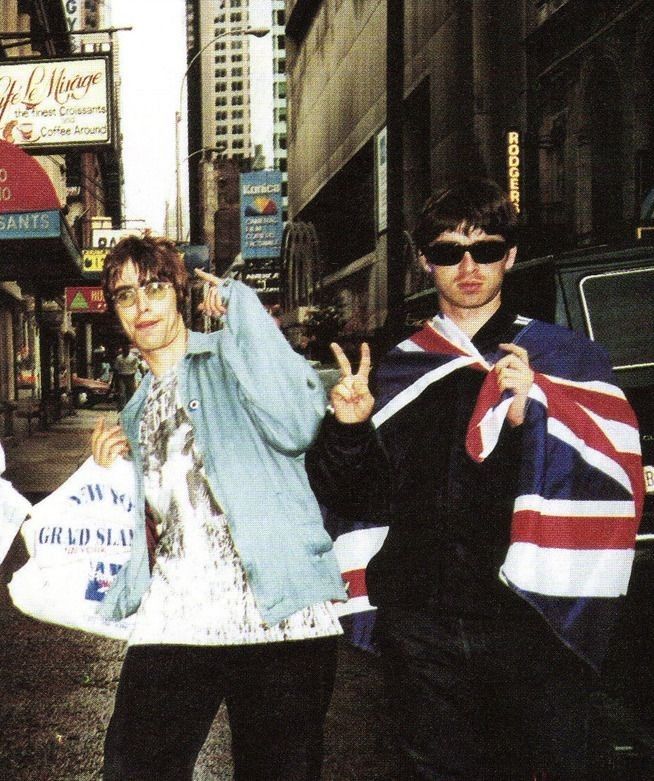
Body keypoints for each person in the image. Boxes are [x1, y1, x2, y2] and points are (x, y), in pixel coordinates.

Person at [306, 178, 643, 779]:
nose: (468, 266)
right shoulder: (399, 368)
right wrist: (350, 428)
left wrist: (529, 419)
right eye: (448, 251)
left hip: (527, 619)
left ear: (509, 256)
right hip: (422, 620)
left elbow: (612, 478)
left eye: (485, 249)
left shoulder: (564, 359)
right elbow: (353, 499)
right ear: (423, 261)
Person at [91, 235, 346, 781]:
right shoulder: (135, 409)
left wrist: (244, 313)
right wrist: (112, 470)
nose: (143, 306)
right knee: (132, 768)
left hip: (281, 618)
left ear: (180, 292)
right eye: (126, 295)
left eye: (156, 288)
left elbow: (298, 421)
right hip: (179, 616)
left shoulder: (233, 357)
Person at [112, 344, 139, 410]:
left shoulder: (133, 358)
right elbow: (116, 369)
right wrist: (114, 380)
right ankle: (122, 407)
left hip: (130, 377)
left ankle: (130, 406)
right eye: (124, 350)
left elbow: (138, 367)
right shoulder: (119, 358)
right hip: (122, 377)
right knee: (122, 393)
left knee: (131, 393)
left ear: (128, 350)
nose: (125, 351)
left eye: (126, 349)